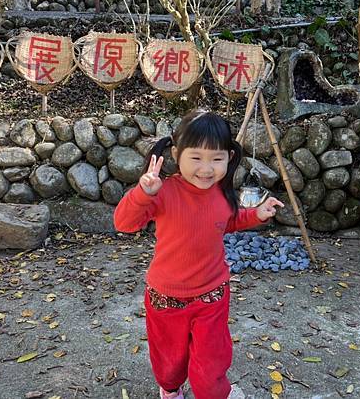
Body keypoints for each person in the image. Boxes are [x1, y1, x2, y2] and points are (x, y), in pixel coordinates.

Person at [114, 110, 283, 399]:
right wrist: (144, 193)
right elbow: (124, 223)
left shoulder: (221, 191)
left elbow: (226, 221)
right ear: (177, 153)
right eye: (196, 158)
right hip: (165, 298)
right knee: (169, 363)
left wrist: (256, 214)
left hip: (212, 295)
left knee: (211, 362)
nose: (206, 169)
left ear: (228, 158)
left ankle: (215, 393)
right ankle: (169, 390)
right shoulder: (163, 191)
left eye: (216, 159)